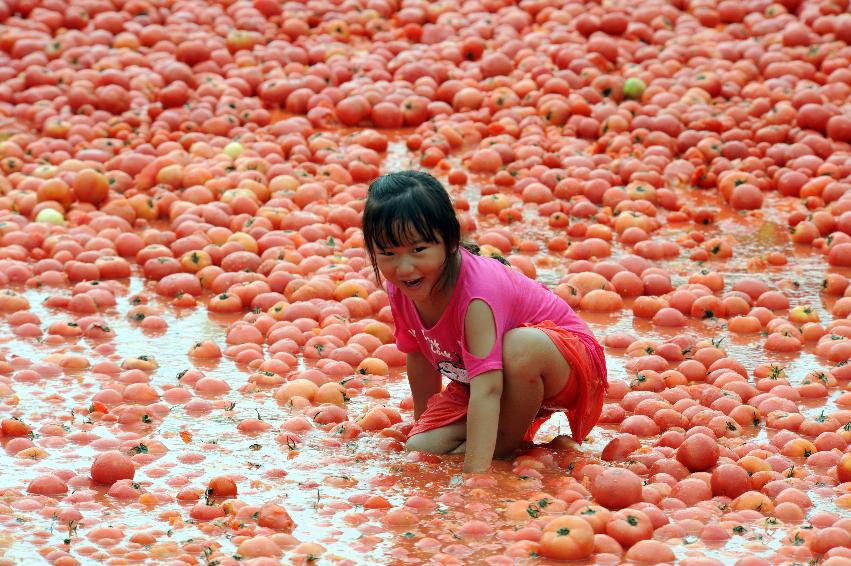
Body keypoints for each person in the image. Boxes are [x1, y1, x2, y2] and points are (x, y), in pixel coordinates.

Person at [362, 170, 608, 473]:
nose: (404, 267)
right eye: (387, 253)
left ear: (450, 241)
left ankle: (502, 448)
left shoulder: (476, 294)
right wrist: (421, 425)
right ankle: (528, 446)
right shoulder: (401, 289)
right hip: (492, 379)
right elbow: (419, 356)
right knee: (422, 447)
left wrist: (473, 477)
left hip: (564, 364)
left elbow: (488, 390)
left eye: (418, 249)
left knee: (519, 347)